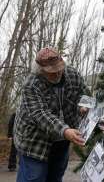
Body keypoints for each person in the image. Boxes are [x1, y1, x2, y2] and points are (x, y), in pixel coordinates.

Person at [14, 47, 88, 182]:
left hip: (62, 140)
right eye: (51, 72)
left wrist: (83, 105)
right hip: (35, 141)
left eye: (59, 68)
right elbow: (40, 115)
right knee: (34, 178)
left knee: (55, 176)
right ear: (40, 70)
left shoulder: (72, 74)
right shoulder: (31, 85)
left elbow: (84, 94)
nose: (57, 73)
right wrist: (65, 131)